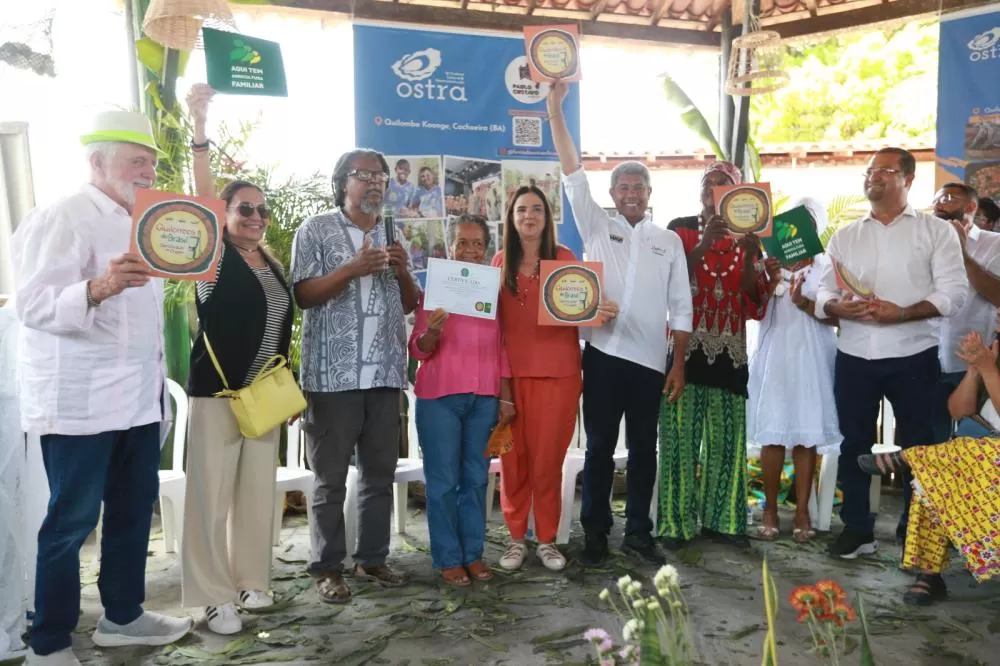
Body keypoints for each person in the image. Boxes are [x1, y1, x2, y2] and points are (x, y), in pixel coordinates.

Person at [11, 110, 192, 665]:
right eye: (137, 160)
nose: (148, 171)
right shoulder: (62, 216)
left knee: (133, 513)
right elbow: (31, 304)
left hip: (137, 400)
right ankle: (49, 644)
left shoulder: (146, 222)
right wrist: (98, 287)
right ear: (97, 161)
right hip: (80, 404)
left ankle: (123, 616)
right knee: (70, 523)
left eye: (151, 162)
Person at [547, 81, 694, 567]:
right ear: (612, 194)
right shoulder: (596, 225)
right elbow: (572, 169)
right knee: (599, 450)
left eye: (638, 187)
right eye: (623, 187)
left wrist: (678, 364)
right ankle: (595, 532)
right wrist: (555, 109)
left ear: (650, 194)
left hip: (651, 362)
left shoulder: (668, 241)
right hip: (604, 357)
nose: (631, 194)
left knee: (644, 450)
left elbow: (681, 305)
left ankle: (638, 533)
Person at [815, 147, 969, 559]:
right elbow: (824, 291)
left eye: (884, 170)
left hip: (913, 353)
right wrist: (836, 307)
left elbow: (954, 293)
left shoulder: (935, 232)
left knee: (919, 446)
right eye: (870, 171)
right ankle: (857, 529)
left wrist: (902, 313)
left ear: (908, 179)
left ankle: (914, 534)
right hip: (854, 354)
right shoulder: (846, 235)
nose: (873, 177)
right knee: (853, 443)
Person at [180, 84, 294, 634]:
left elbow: (277, 329)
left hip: (263, 397)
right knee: (210, 498)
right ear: (223, 215)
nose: (255, 216)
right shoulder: (214, 257)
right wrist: (201, 130)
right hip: (218, 395)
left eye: (261, 210)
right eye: (244, 208)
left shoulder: (270, 263)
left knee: (254, 494)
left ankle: (251, 580)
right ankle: (211, 596)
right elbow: (201, 199)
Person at [291, 148, 420, 603]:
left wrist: (402, 271)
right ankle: (328, 568)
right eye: (364, 175)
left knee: (378, 474)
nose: (375, 182)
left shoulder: (392, 232)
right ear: (342, 182)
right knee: (329, 480)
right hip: (333, 377)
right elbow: (303, 295)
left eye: (380, 175)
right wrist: (351, 269)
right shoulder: (316, 229)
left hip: (384, 373)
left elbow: (410, 303)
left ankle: (372, 558)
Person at [491, 186, 610, 571]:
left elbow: (582, 311)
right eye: (522, 210)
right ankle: (515, 539)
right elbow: (492, 329)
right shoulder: (498, 262)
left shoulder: (565, 259)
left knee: (547, 463)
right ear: (511, 218)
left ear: (547, 218)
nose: (529, 216)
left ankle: (546, 540)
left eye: (537, 209)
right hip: (512, 380)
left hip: (559, 376)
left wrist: (598, 310)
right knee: (513, 463)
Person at [658, 161, 776, 551]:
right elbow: (668, 281)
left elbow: (752, 300)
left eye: (723, 183)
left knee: (727, 442)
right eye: (707, 182)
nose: (713, 188)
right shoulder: (680, 230)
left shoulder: (750, 237)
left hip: (730, 352)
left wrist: (753, 255)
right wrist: (703, 243)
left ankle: (724, 522)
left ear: (736, 192)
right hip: (684, 352)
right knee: (679, 442)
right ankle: (675, 524)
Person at [858, 331, 1000, 605]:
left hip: (989, 460)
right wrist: (974, 371)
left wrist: (987, 369)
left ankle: (909, 458)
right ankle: (929, 574)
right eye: (997, 312)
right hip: (977, 459)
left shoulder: (991, 364)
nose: (997, 315)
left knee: (939, 462)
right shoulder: (993, 355)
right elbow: (958, 412)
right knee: (933, 475)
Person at [409, 215, 514, 585]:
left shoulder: (492, 294)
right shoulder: (434, 291)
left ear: (486, 249)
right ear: (450, 248)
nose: (470, 250)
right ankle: (448, 558)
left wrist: (506, 399)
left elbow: (503, 348)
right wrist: (432, 333)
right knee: (442, 482)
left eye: (477, 243)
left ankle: (473, 554)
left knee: (476, 479)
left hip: (484, 399)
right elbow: (418, 349)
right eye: (463, 243)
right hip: (439, 398)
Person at [746, 198, 841, 542]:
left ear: (815, 230)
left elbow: (837, 315)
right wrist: (769, 280)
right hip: (775, 356)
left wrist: (804, 302)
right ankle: (770, 510)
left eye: (808, 224)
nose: (799, 231)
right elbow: (751, 308)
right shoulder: (766, 262)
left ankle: (802, 511)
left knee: (807, 434)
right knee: (772, 434)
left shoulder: (826, 265)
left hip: (813, 358)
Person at [932, 183, 1000, 442]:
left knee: (971, 438)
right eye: (936, 200)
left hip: (973, 360)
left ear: (971, 206)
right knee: (925, 441)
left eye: (948, 198)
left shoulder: (994, 244)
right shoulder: (923, 245)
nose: (939, 204)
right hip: (925, 358)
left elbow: (997, 295)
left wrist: (961, 254)